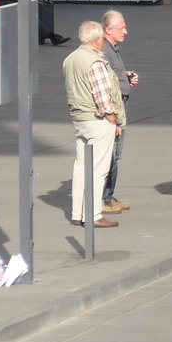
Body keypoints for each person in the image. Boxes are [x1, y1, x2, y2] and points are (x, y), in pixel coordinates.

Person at [63, 20, 123, 229]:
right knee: (99, 170)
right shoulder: (94, 62)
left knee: (81, 167)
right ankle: (93, 214)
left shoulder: (70, 59)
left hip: (79, 118)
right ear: (97, 39)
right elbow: (103, 96)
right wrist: (112, 118)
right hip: (97, 120)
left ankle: (77, 212)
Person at [100, 9, 138, 214]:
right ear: (108, 30)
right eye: (121, 28)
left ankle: (108, 196)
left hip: (119, 104)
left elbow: (112, 74)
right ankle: (104, 199)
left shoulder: (111, 49)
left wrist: (126, 75)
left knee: (114, 155)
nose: (126, 31)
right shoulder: (104, 50)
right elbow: (104, 83)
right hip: (114, 108)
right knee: (111, 155)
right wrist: (112, 118)